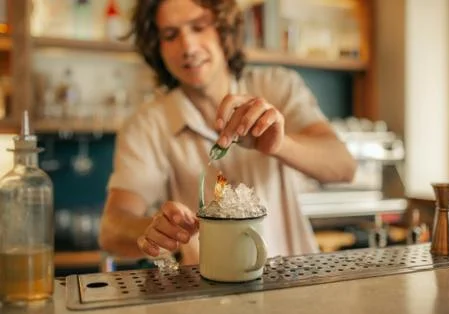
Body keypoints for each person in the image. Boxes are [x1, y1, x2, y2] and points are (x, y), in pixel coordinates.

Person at [98, 0, 356, 266]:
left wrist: (280, 145)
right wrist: (154, 229)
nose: (188, 47)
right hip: (205, 295)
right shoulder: (147, 125)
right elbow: (112, 228)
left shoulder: (278, 86)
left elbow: (344, 167)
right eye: (170, 35)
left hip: (294, 281)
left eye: (199, 27)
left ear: (224, 30)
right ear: (157, 47)